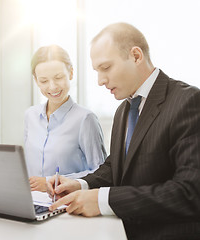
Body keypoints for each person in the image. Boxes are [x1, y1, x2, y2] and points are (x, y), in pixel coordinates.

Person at [47, 23, 200, 239]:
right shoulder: (124, 110)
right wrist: (82, 185)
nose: (100, 81)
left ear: (136, 56)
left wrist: (102, 200)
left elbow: (190, 193)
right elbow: (118, 165)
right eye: (97, 71)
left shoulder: (188, 101)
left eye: (106, 68)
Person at [24, 45, 107, 192]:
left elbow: (101, 174)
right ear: (36, 81)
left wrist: (52, 182)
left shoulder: (85, 119)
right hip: (31, 203)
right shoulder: (30, 116)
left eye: (58, 77)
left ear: (71, 73)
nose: (52, 87)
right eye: (43, 81)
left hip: (67, 204)